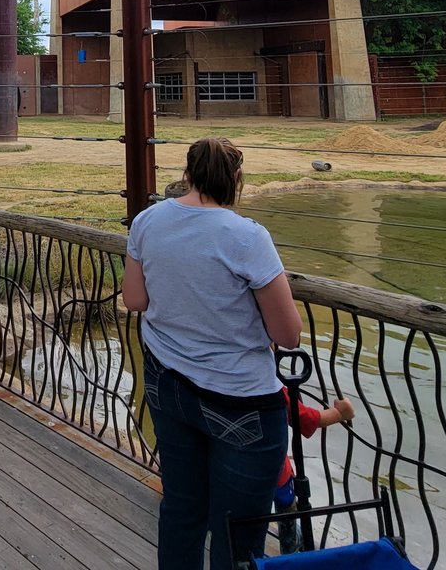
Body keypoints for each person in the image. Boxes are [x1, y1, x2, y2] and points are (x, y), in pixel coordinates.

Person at [123, 137, 302, 569]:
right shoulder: (247, 236)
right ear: (236, 179)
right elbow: (288, 334)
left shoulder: (147, 221)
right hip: (240, 401)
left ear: (187, 172)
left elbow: (135, 300)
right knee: (238, 534)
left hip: (167, 384)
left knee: (182, 509)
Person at [272, 393, 355, 554]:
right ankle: (290, 552)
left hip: (228, 472)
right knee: (286, 508)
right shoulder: (273, 390)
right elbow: (307, 418)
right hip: (275, 474)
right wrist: (340, 413)